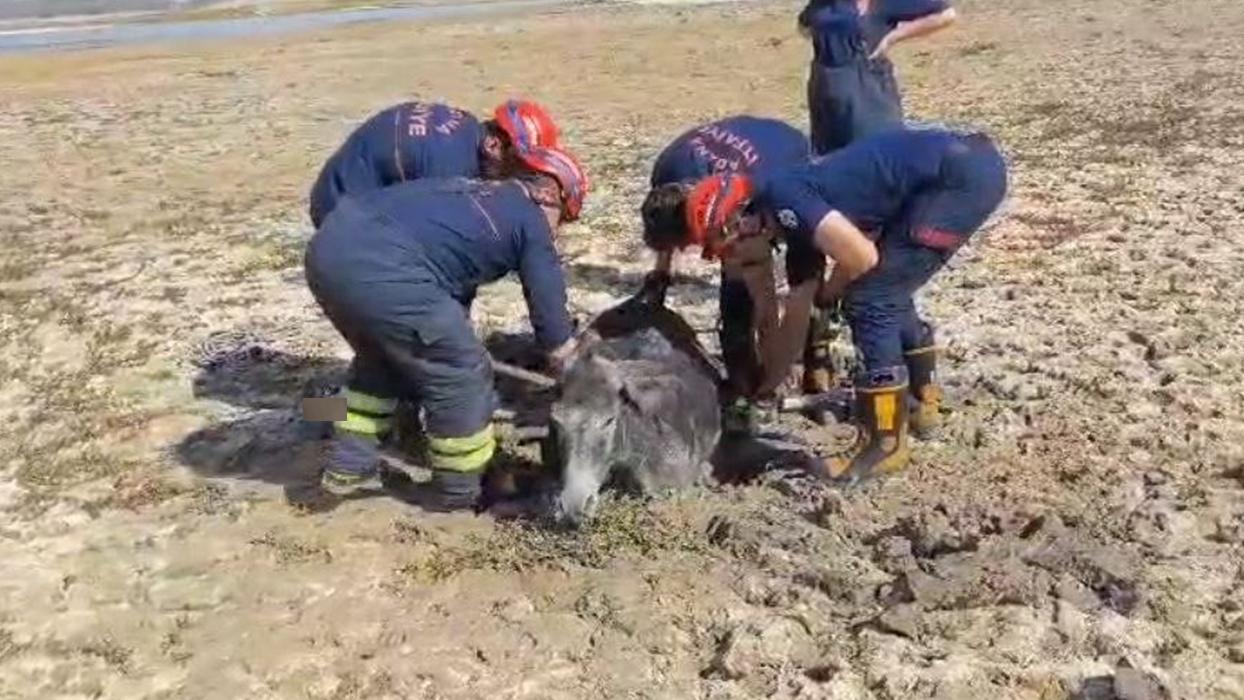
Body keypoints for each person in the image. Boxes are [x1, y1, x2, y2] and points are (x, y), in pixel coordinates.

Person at [679, 126, 1008, 483]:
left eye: (727, 250)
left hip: (957, 180)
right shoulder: (782, 195)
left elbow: (861, 257)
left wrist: (832, 294)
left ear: (741, 222)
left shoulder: (788, 202)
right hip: (965, 166)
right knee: (889, 287)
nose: (733, 261)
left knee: (871, 300)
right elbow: (861, 237)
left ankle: (883, 442)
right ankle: (921, 402)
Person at [304, 145, 589, 510]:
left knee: (382, 361)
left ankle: (347, 467)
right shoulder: (530, 221)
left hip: (329, 251)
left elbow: (448, 287)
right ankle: (460, 491)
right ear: (550, 194)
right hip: (381, 268)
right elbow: (553, 331)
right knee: (462, 372)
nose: (557, 232)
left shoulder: (471, 193)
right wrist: (577, 370)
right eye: (563, 219)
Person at [633, 115, 812, 426]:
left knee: (791, 273)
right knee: (733, 262)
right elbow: (666, 222)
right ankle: (748, 367)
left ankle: (806, 356)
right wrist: (660, 275)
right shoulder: (668, 170)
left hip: (788, 155)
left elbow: (766, 304)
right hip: (749, 137)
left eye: (690, 244)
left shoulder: (744, 204)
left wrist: (773, 376)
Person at [308, 98, 562, 228]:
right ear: (494, 145)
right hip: (339, 212)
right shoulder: (452, 169)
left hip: (340, 185)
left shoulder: (466, 127)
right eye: (517, 168)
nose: (514, 179)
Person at [798, 0, 957, 156]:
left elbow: (945, 14)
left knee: (876, 148)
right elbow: (805, 26)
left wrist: (892, 37)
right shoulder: (821, 4)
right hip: (826, 83)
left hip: (866, 83)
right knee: (830, 155)